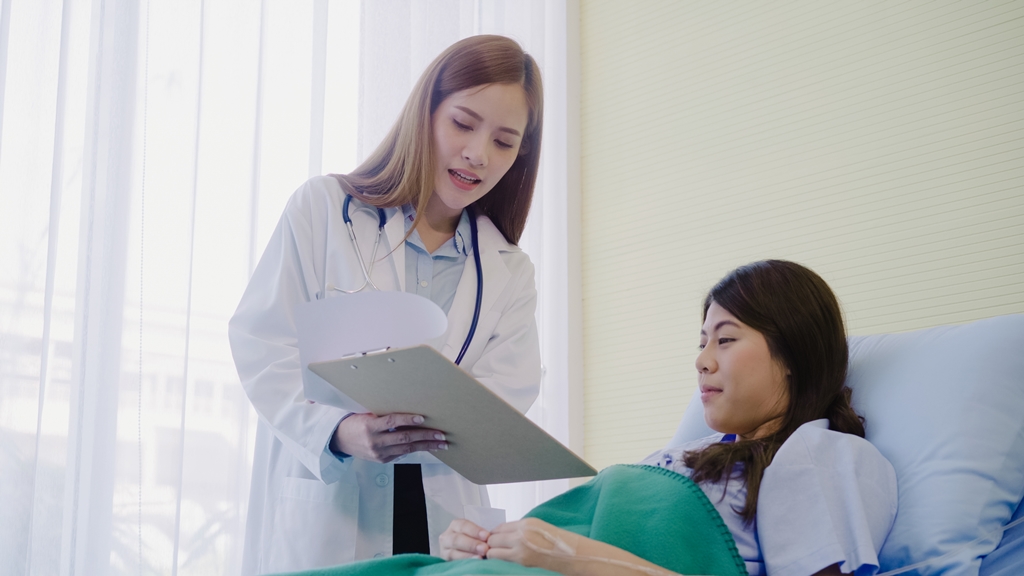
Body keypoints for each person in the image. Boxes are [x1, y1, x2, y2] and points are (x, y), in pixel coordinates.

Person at [228, 35, 544, 575]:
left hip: (444, 521)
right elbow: (263, 344)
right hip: (331, 510)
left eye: (504, 141)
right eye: (463, 124)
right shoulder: (324, 211)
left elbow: (507, 395)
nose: (478, 154)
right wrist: (341, 431)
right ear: (425, 115)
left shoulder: (509, 270)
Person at [437, 260, 898, 576]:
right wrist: (486, 546)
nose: (701, 360)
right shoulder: (689, 454)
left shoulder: (818, 452)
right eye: (702, 342)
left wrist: (572, 557)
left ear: (793, 353)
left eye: (726, 339)